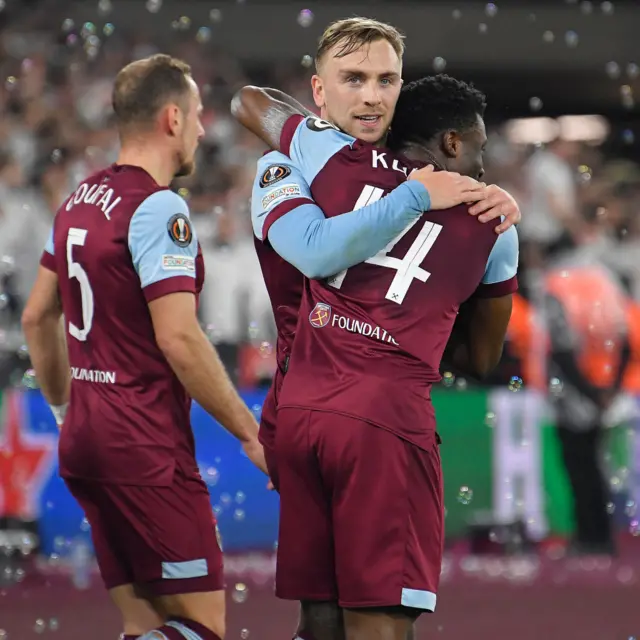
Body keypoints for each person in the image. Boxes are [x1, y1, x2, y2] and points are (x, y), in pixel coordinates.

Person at [233, 17, 520, 640]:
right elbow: (479, 356)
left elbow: (251, 102)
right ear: (450, 143)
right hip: (385, 420)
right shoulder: (492, 220)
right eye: (354, 79)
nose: (371, 95)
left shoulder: (318, 158)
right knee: (383, 621)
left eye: (386, 80)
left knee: (317, 617)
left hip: (299, 407)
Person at [21, 54, 266, 640]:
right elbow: (179, 337)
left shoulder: (80, 197)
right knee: (201, 627)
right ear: (172, 118)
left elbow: (37, 317)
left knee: (145, 623)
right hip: (145, 448)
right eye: (199, 116)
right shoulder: (158, 207)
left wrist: (64, 412)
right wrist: (249, 431)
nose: (205, 130)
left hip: (88, 440)